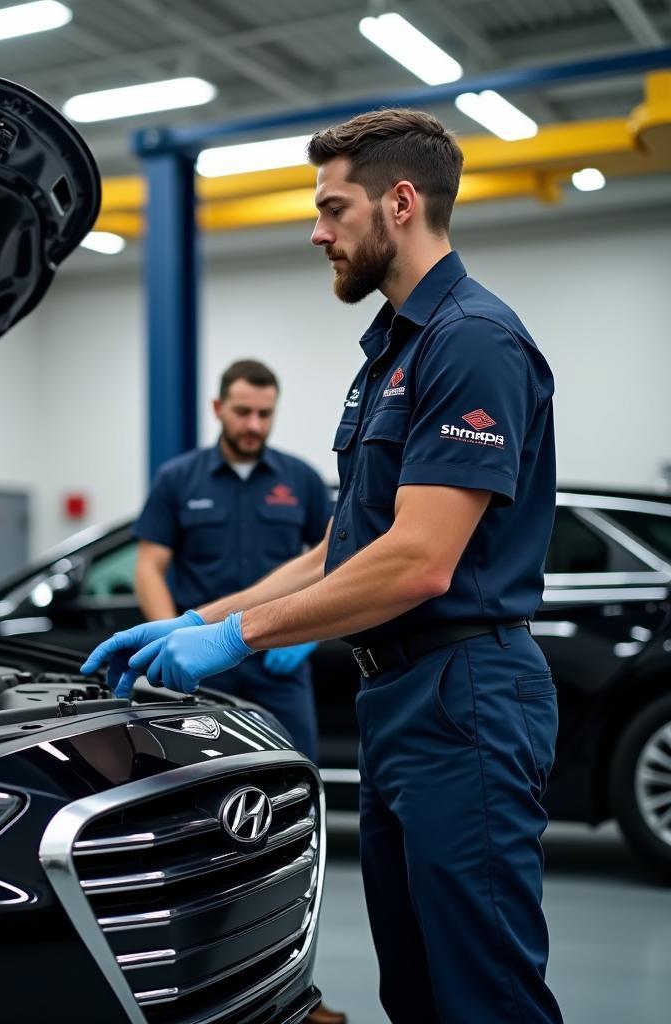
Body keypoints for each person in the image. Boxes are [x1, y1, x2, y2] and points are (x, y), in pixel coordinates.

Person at [83, 108, 563, 1024]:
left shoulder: (471, 341)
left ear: (402, 202)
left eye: (333, 208)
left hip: (464, 695)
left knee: (484, 995)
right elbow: (344, 546)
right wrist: (200, 617)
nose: (317, 230)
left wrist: (236, 635)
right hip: (399, 701)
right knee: (417, 987)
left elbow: (420, 562)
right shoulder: (393, 352)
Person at [133, 359, 331, 763]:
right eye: (243, 412)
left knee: (293, 769)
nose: (254, 425)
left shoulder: (303, 480)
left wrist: (310, 636)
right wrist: (171, 639)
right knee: (191, 774)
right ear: (217, 408)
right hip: (201, 662)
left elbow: (334, 560)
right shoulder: (177, 479)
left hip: (278, 661)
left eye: (265, 414)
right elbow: (149, 566)